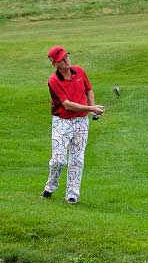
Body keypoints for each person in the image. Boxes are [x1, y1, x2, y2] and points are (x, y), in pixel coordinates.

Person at [42, 46, 103, 205]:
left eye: (66, 56)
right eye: (61, 59)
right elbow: (67, 105)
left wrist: (92, 107)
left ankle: (72, 195)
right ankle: (50, 186)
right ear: (54, 63)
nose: (66, 60)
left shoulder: (79, 71)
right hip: (62, 121)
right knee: (58, 160)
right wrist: (91, 108)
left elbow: (89, 90)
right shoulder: (53, 81)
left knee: (77, 160)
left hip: (81, 122)